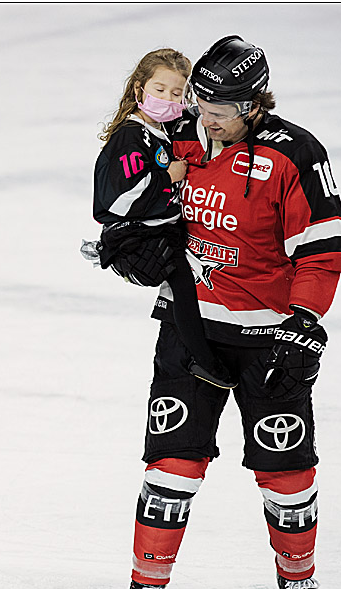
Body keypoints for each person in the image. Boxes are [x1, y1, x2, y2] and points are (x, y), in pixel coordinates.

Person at [121, 35, 341, 589]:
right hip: (189, 329)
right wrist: (129, 244)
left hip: (268, 338)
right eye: (202, 103)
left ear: (255, 104)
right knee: (173, 465)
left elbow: (323, 249)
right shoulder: (177, 140)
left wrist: (305, 321)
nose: (208, 116)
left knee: (288, 471)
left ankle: (299, 578)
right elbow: (131, 202)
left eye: (223, 108)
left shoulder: (296, 153)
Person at [86, 47, 235, 389]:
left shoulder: (163, 130)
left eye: (176, 93)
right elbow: (120, 198)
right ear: (139, 89)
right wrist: (168, 176)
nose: (168, 99)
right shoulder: (131, 135)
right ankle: (203, 359)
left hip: (160, 229)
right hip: (137, 237)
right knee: (183, 285)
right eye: (160, 89)